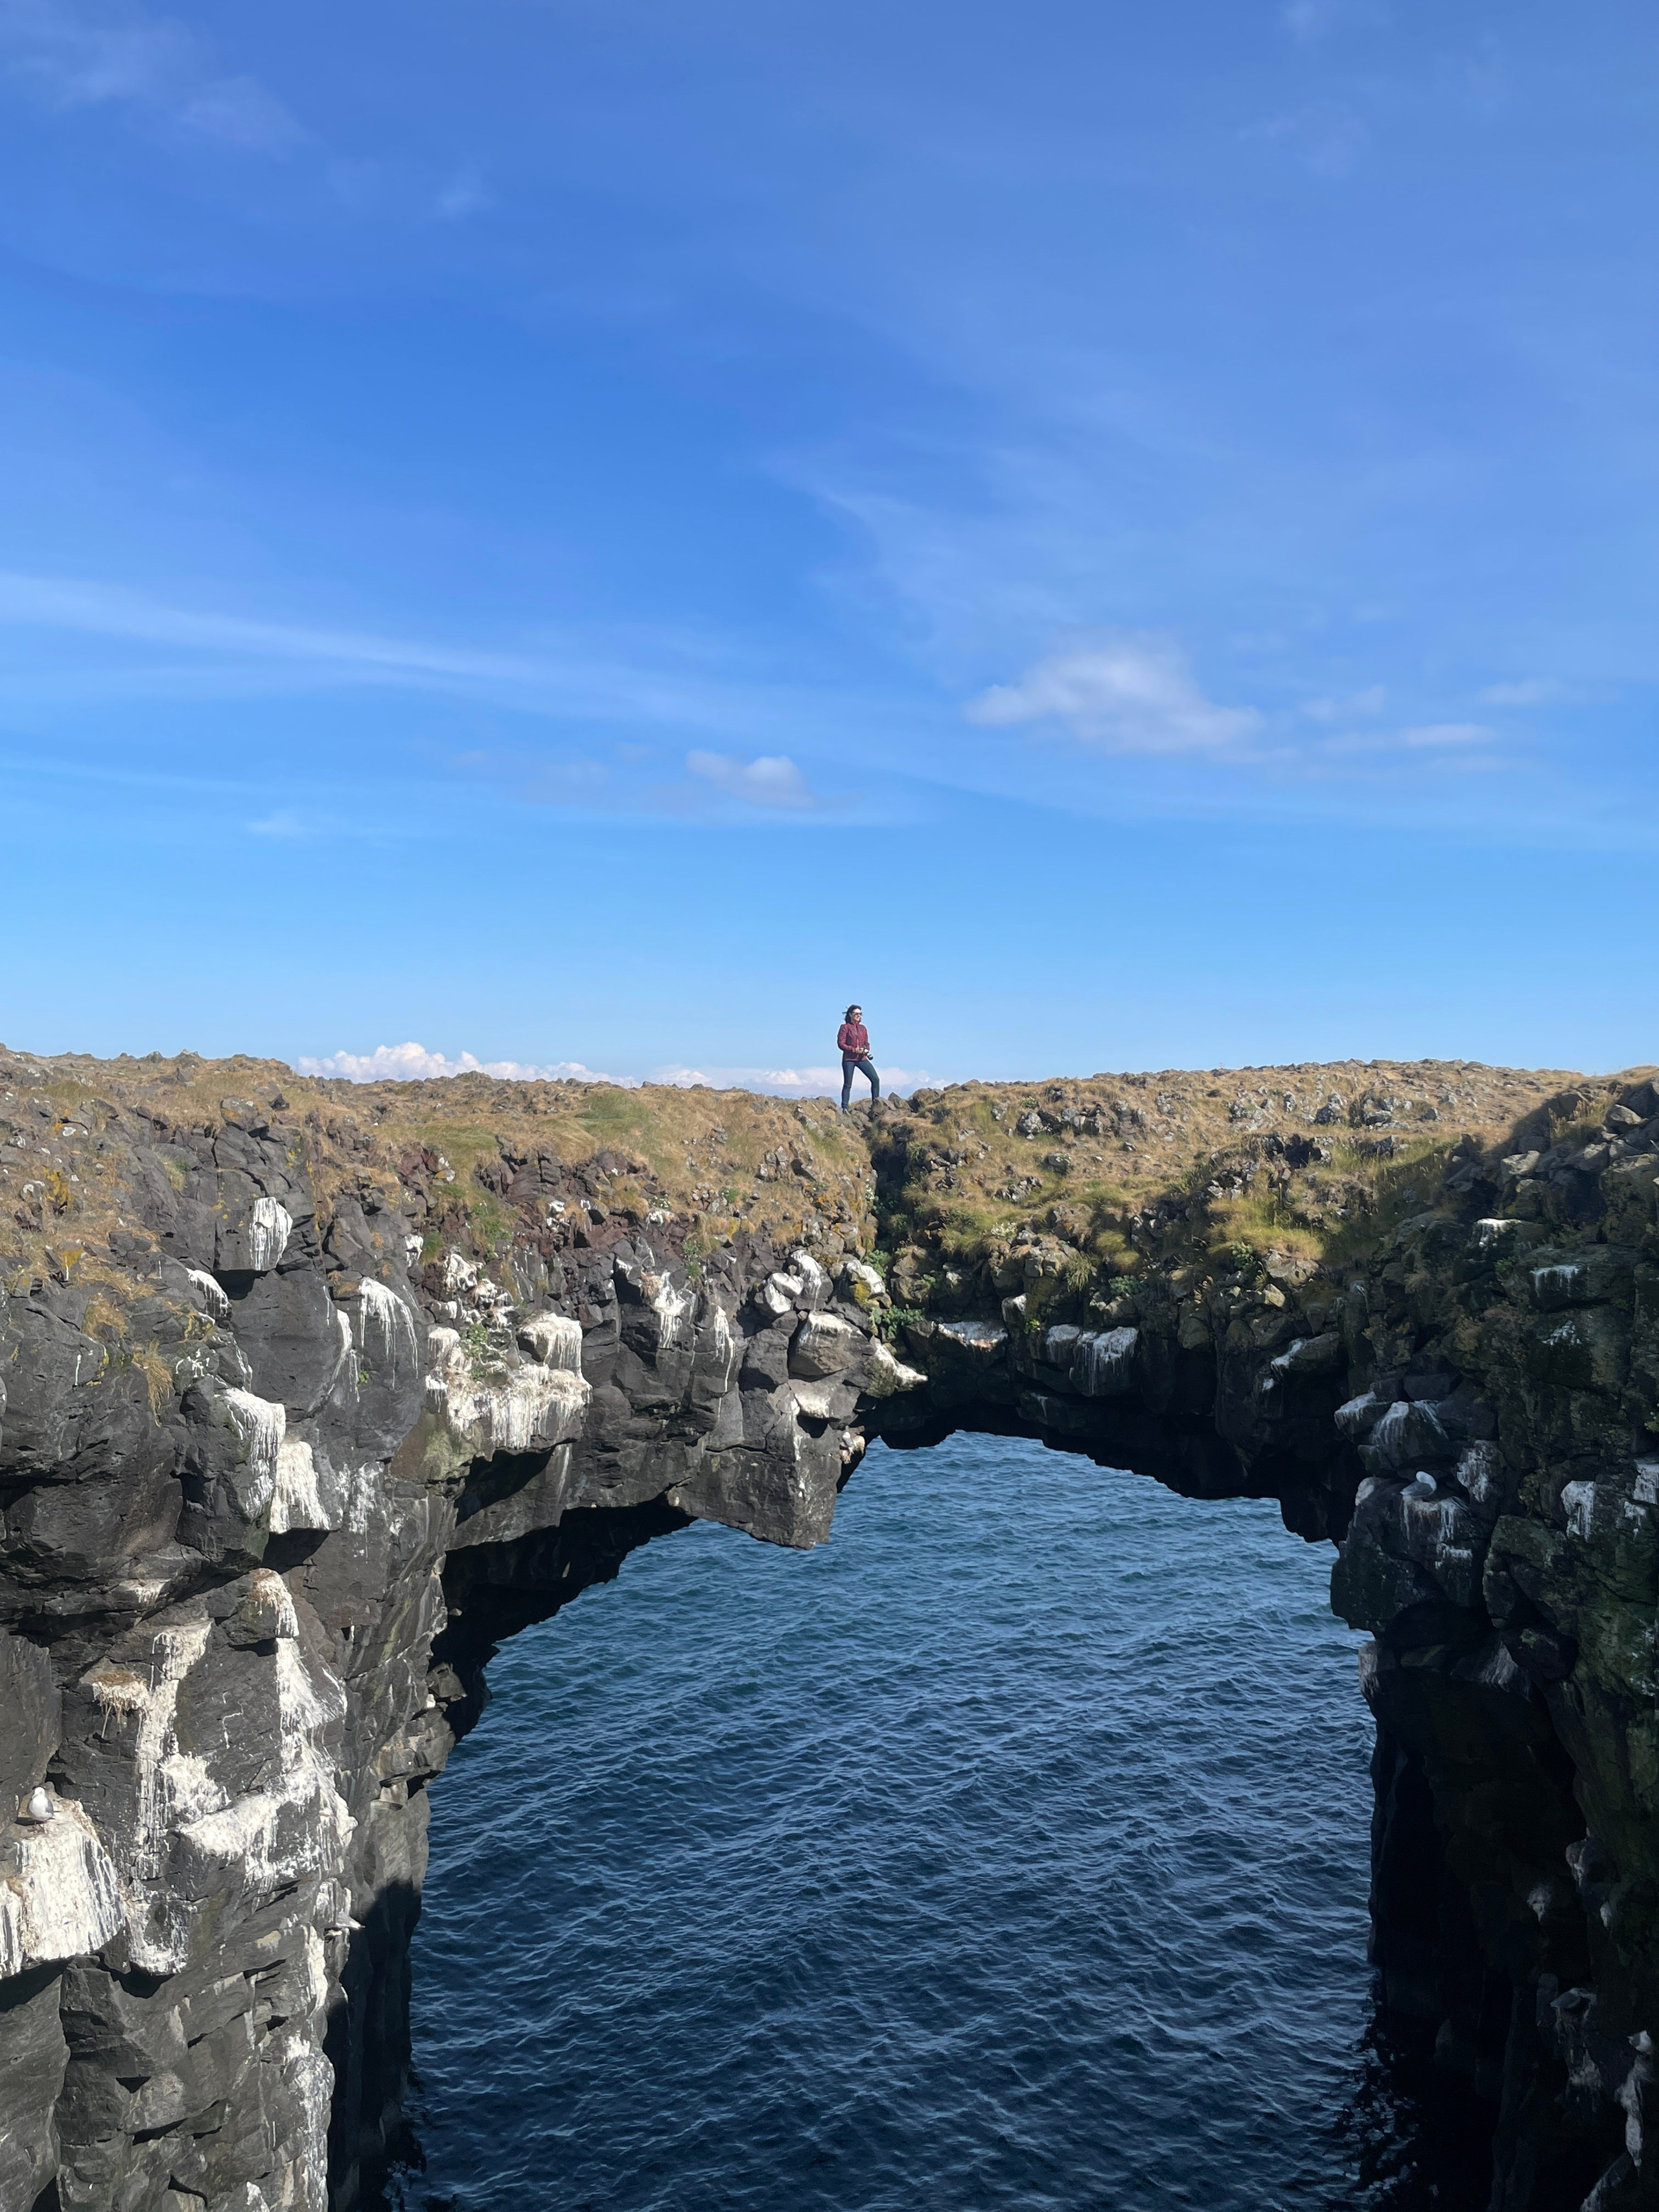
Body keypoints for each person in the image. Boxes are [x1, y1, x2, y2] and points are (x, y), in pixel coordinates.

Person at [837, 1004, 880, 1111]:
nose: (859, 1016)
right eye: (856, 1013)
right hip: (849, 1059)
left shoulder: (863, 1028)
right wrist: (853, 1049)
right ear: (850, 1014)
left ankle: (877, 1106)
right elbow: (840, 1044)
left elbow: (866, 1042)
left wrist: (866, 1050)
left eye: (860, 1014)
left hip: (862, 1059)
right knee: (848, 1084)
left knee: (875, 1079)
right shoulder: (845, 1027)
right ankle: (845, 1108)